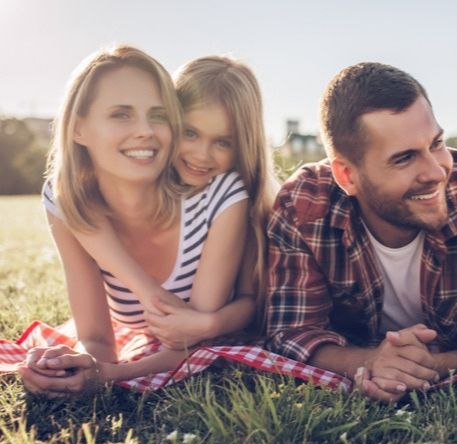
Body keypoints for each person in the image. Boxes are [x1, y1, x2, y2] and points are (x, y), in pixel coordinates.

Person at [264, 62, 457, 403]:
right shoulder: (303, 205)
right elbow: (292, 331)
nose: (436, 172)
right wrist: (369, 362)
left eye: (437, 143)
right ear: (347, 176)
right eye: (405, 158)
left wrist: (435, 365)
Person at [18, 48, 273, 395]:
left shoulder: (221, 195)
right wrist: (80, 366)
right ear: (78, 129)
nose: (144, 132)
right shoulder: (68, 202)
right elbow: (95, 338)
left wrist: (108, 374)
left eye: (156, 115)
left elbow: (187, 340)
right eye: (121, 114)